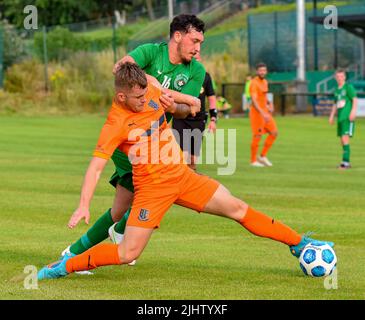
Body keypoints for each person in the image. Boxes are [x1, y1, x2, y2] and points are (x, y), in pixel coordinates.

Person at [37, 63, 334, 280]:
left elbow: (190, 106)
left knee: (239, 209)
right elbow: (96, 167)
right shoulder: (115, 123)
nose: (144, 101)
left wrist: (181, 103)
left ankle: (300, 243)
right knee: (128, 254)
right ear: (121, 98)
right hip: (151, 190)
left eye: (145, 96)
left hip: (183, 177)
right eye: (137, 99)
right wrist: (83, 204)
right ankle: (64, 266)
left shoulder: (150, 86)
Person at [57, 14, 207, 266]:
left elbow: (186, 111)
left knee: (123, 208)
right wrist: (159, 86)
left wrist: (174, 107)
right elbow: (121, 67)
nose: (198, 48)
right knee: (157, 191)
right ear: (178, 36)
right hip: (129, 140)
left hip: (154, 143)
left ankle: (76, 251)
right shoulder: (151, 52)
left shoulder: (196, 70)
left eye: (201, 42)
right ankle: (86, 249)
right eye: (194, 40)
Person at [172, 52, 218, 171]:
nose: (195, 61)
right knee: (184, 157)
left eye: (197, 59)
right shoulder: (180, 76)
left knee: (193, 160)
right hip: (181, 119)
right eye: (193, 59)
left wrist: (213, 119)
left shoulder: (206, 76)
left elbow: (211, 98)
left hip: (198, 121)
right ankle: (180, 185)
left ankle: (190, 185)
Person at [249, 62, 277, 167]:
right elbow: (254, 101)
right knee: (257, 135)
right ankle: (253, 161)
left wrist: (270, 103)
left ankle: (262, 156)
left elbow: (264, 96)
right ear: (257, 71)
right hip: (257, 114)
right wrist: (262, 113)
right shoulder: (254, 83)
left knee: (274, 132)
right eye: (260, 70)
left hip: (265, 113)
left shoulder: (265, 82)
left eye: (264, 70)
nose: (262, 72)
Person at [329, 69, 357, 169]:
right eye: (337, 77)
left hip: (347, 117)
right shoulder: (337, 89)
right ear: (335, 78)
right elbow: (335, 104)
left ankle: (345, 163)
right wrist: (332, 115)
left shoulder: (348, 87)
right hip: (340, 118)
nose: (339, 78)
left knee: (345, 139)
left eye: (341, 76)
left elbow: (355, 99)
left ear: (344, 77)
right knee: (342, 140)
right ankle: (345, 161)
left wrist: (353, 111)